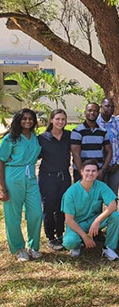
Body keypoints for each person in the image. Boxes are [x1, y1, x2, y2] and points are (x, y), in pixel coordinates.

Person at [0, 109, 43, 261]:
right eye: (24, 118)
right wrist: (2, 188)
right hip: (13, 177)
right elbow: (1, 160)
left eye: (30, 119)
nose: (27, 121)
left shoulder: (34, 137)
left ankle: (33, 246)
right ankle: (18, 248)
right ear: (18, 120)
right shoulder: (10, 138)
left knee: (36, 213)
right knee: (13, 216)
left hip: (30, 177)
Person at [61, 159, 119, 261]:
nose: (90, 173)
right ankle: (77, 246)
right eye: (87, 171)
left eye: (93, 171)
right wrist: (85, 236)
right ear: (81, 172)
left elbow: (113, 205)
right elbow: (69, 220)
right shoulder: (71, 192)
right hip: (77, 223)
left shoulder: (101, 186)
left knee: (115, 215)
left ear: (97, 173)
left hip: (94, 221)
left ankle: (109, 248)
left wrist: (97, 220)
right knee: (69, 242)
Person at [38, 109, 72, 251]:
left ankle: (60, 234)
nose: (60, 122)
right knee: (49, 207)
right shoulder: (42, 138)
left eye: (63, 119)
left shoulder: (69, 136)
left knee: (62, 207)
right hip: (48, 177)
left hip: (64, 176)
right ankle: (50, 237)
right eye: (57, 119)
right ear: (51, 120)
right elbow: (32, 155)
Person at [71, 102, 112, 182]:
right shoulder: (77, 131)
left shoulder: (103, 132)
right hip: (81, 173)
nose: (92, 113)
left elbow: (109, 152)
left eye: (95, 111)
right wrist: (83, 173)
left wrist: (102, 170)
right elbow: (76, 154)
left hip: (97, 173)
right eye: (89, 110)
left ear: (98, 113)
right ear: (85, 112)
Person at [97, 98, 119, 195]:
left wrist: (118, 163)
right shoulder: (95, 122)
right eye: (107, 106)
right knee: (98, 195)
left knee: (113, 195)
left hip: (115, 166)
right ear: (101, 107)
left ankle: (113, 210)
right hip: (99, 166)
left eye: (112, 106)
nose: (110, 108)